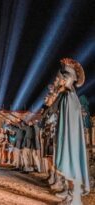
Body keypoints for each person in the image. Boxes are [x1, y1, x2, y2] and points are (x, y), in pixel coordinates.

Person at [53, 58, 89, 203]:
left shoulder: (71, 97)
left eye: (63, 77)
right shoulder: (65, 96)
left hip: (72, 142)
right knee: (68, 164)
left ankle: (75, 198)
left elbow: (73, 125)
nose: (60, 80)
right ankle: (69, 194)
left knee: (72, 162)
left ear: (69, 79)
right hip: (66, 139)